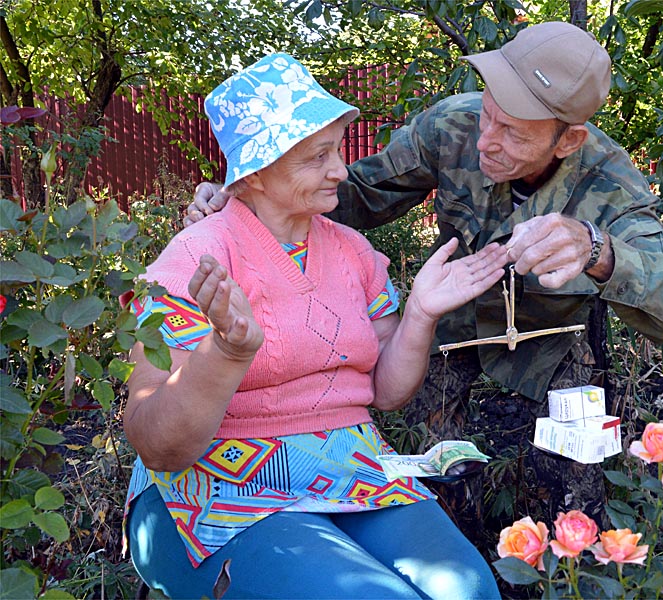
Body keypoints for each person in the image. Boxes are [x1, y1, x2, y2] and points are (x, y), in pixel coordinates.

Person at [187, 22, 663, 530]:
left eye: (513, 134)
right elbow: (357, 195)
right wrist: (246, 199)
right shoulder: (451, 127)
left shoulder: (613, 186)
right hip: (450, 329)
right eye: (488, 115)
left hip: (550, 347)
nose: (486, 143)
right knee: (427, 475)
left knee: (569, 502)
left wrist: (597, 250)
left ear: (567, 140)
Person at [122, 53, 507, 599]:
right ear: (253, 174)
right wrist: (227, 352)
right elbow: (158, 443)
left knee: (468, 589)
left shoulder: (353, 253)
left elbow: (384, 393)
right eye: (317, 157)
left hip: (352, 468)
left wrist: (420, 313)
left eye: (338, 151)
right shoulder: (194, 261)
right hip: (217, 485)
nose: (341, 171)